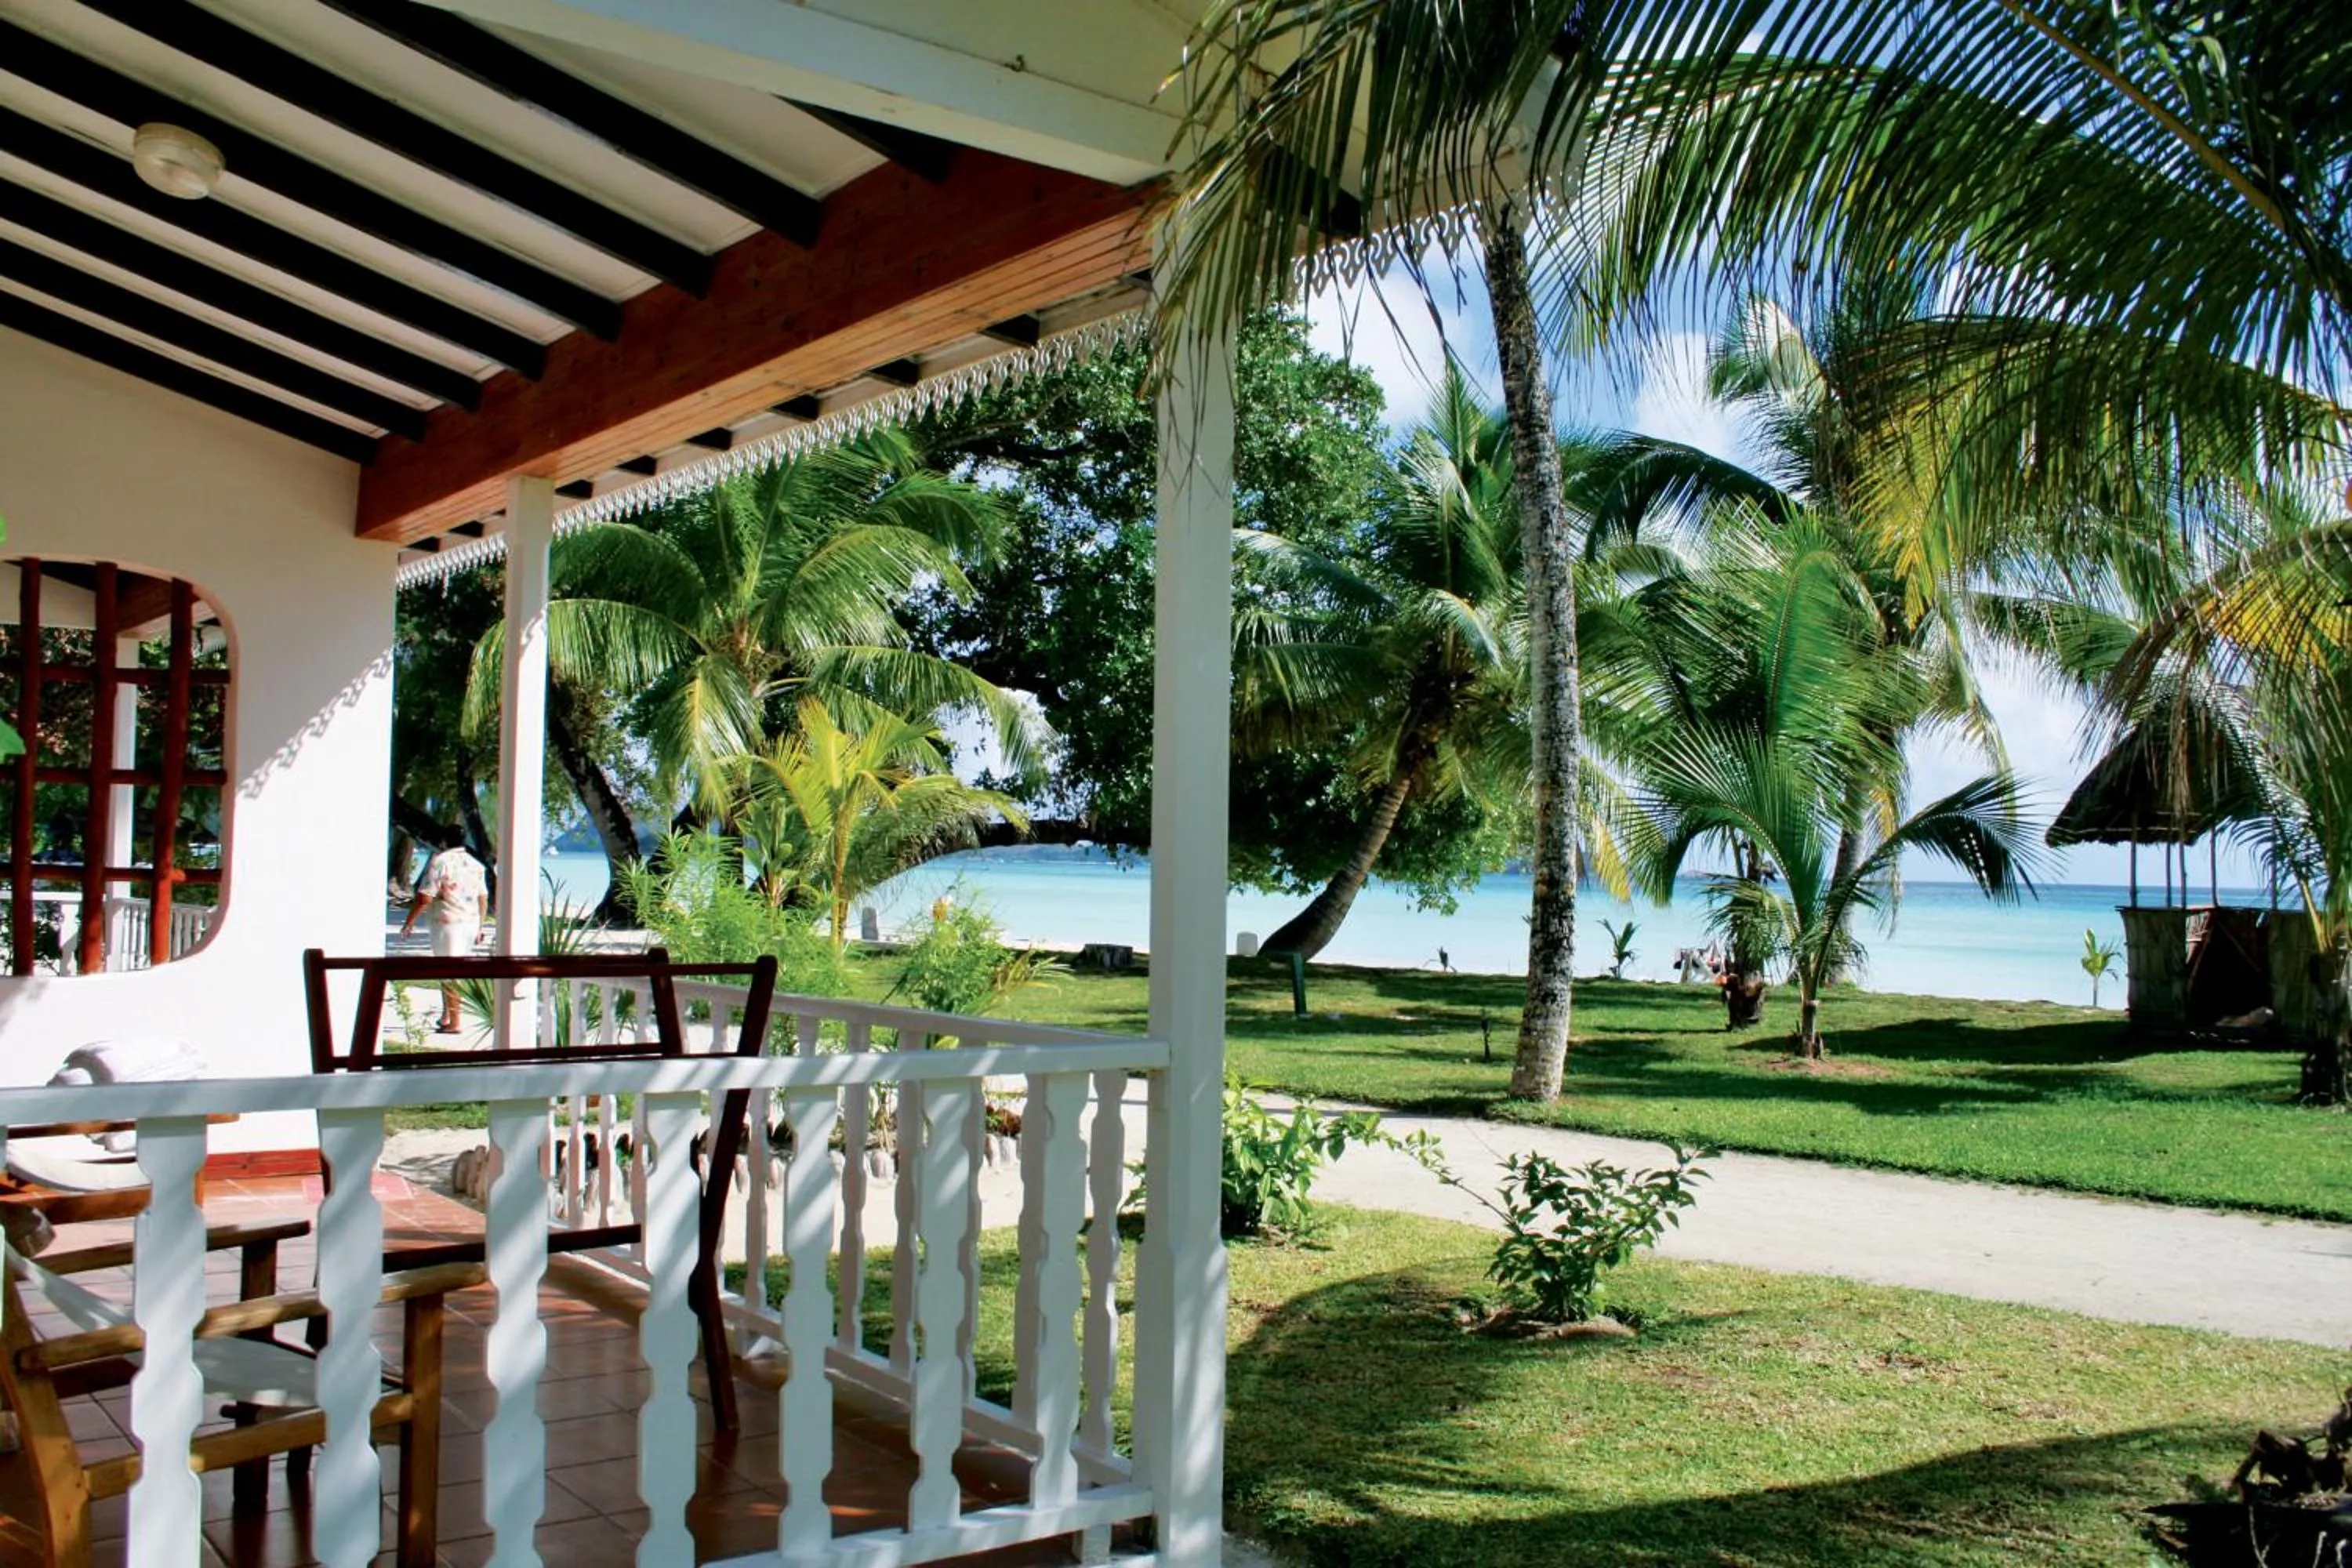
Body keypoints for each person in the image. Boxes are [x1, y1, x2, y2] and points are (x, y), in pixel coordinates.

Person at [400, 827, 489, 1033]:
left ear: (443, 841)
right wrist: (480, 925)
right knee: (451, 970)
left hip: (447, 923)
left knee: (450, 971)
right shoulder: (476, 865)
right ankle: (447, 1016)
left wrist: (410, 921)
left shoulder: (440, 862)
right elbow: (483, 898)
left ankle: (455, 1021)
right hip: (469, 923)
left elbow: (425, 897)